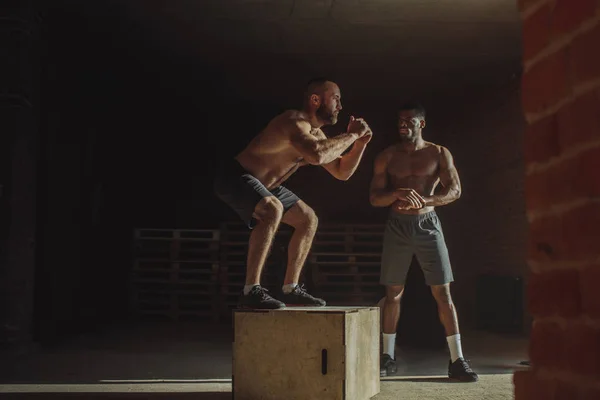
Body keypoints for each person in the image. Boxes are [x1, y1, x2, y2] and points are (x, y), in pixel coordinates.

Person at [214, 78, 373, 310]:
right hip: (236, 176)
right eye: (336, 98)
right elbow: (317, 155)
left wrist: (360, 145)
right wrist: (352, 136)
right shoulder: (293, 121)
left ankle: (291, 288)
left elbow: (341, 172)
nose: (340, 106)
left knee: (308, 219)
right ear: (315, 100)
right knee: (272, 208)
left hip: (267, 186)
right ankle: (251, 291)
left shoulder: (317, 135)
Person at [369, 102, 478, 382]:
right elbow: (374, 198)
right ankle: (387, 357)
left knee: (443, 293)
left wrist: (425, 200)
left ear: (422, 124)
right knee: (393, 292)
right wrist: (396, 193)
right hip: (397, 226)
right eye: (400, 120)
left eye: (409, 120)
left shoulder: (438, 153)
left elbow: (454, 190)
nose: (403, 124)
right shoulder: (387, 156)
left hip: (428, 225)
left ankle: (457, 360)